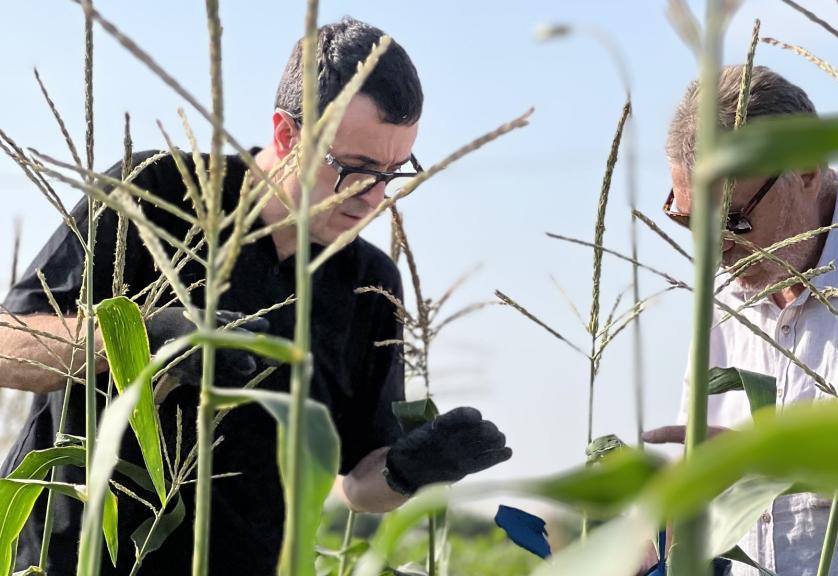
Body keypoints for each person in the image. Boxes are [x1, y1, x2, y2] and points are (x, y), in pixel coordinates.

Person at [0, 17, 511, 575]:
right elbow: (8, 345)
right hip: (74, 560)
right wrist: (143, 339)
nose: (373, 199)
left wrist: (409, 470)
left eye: (394, 173)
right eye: (355, 171)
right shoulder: (154, 193)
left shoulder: (370, 285)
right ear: (287, 134)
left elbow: (359, 482)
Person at [643, 65, 838, 575]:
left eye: (733, 219)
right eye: (689, 220)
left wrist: (766, 457)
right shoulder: (726, 289)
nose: (716, 247)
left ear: (808, 171)